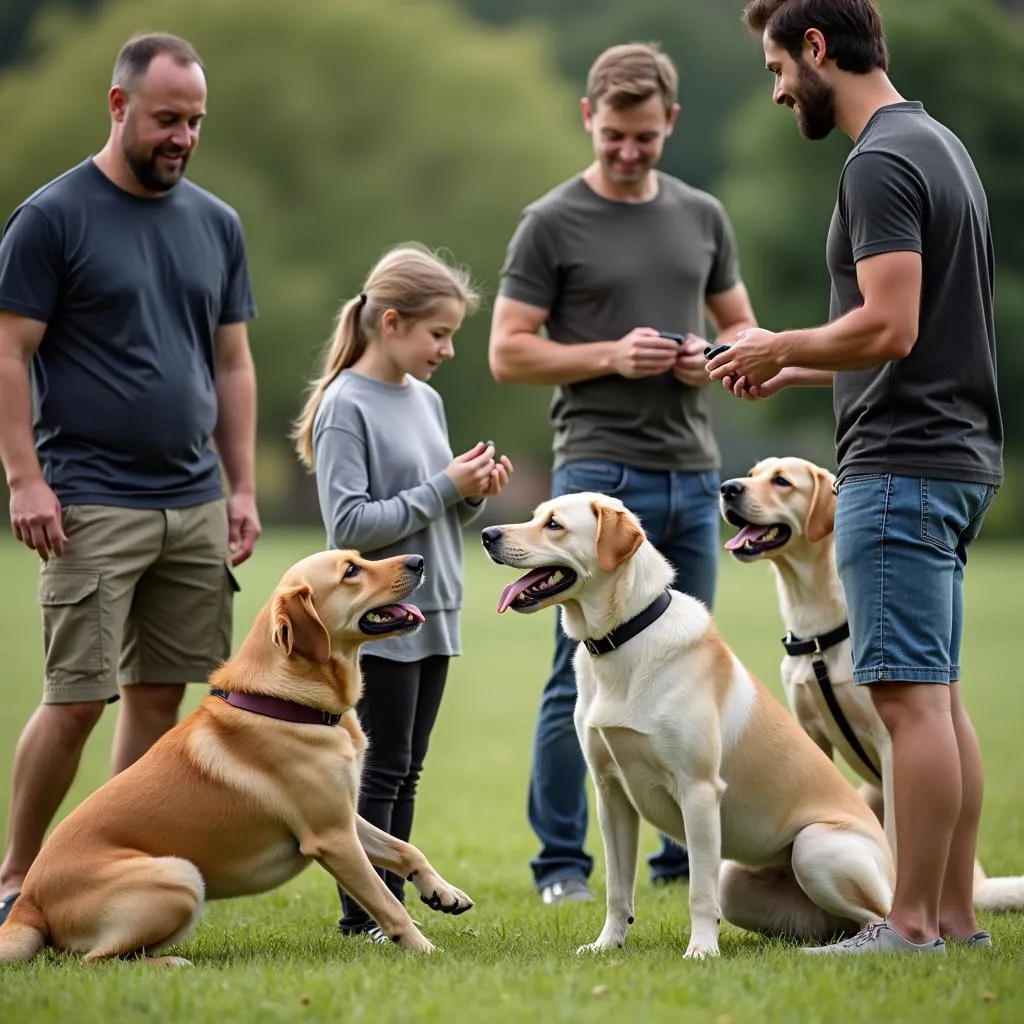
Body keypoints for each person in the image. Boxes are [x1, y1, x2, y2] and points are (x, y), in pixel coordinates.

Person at [708, 0, 1003, 955]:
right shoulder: (938, 145)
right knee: (939, 700)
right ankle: (954, 919)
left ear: (817, 47)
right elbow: (905, 330)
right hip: (955, 456)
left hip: (902, 464)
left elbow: (893, 324)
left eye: (777, 66)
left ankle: (911, 923)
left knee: (908, 703)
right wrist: (795, 367)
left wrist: (777, 338)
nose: (779, 87)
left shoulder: (876, 161)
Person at [0, 32, 260, 927]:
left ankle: (102, 870)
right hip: (89, 498)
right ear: (118, 108)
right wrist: (23, 477)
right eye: (165, 120)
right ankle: (14, 880)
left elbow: (232, 363)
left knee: (161, 697)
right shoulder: (52, 217)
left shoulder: (216, 223)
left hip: (192, 501)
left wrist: (242, 488)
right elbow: (8, 349)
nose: (181, 137)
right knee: (75, 697)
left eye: (193, 121)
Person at [489, 42, 758, 904]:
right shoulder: (551, 221)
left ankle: (684, 862)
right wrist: (613, 354)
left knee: (688, 673)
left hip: (693, 473)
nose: (629, 151)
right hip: (597, 474)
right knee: (578, 675)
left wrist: (705, 361)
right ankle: (562, 868)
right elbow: (507, 352)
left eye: (645, 137)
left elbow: (742, 332)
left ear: (670, 123)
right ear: (588, 120)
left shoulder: (703, 215)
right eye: (614, 136)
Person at [292, 242, 513, 941]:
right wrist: (445, 485)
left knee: (407, 768)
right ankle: (365, 915)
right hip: (378, 621)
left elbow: (433, 506)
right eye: (438, 334)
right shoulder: (345, 407)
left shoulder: (427, 398)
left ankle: (384, 907)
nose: (446, 350)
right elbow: (350, 525)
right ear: (391, 323)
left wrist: (472, 495)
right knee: (381, 770)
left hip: (436, 608)